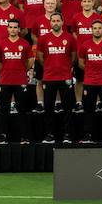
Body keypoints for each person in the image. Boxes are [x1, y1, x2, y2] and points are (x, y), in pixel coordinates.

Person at [35, 12, 76, 144]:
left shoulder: (69, 38)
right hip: (49, 77)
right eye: (53, 21)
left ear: (62, 22)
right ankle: (49, 135)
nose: (56, 23)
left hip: (65, 77)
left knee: (67, 108)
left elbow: (73, 56)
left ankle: (67, 135)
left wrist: (66, 67)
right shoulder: (43, 39)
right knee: (48, 108)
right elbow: (40, 57)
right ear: (50, 23)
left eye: (58, 20)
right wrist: (48, 66)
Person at [0, 19, 34, 145]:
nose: (13, 29)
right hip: (5, 80)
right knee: (3, 110)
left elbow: (31, 59)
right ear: (7, 28)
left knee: (22, 109)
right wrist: (5, 69)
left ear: (19, 29)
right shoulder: (1, 43)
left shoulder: (25, 43)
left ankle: (24, 137)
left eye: (15, 27)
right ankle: (3, 136)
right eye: (10, 27)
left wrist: (22, 70)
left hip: (20, 80)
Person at [71, 0, 99, 111]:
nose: (87, 3)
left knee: (98, 79)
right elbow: (74, 33)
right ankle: (78, 102)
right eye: (85, 1)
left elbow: (101, 33)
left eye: (89, 1)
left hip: (96, 54)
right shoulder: (76, 17)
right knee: (79, 79)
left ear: (93, 3)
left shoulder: (97, 17)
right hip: (80, 54)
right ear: (81, 3)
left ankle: (98, 103)